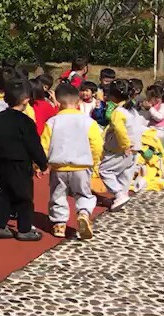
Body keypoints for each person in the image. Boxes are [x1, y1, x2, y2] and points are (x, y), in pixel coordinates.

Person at [40, 83, 103, 240]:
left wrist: (40, 164)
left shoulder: (52, 122)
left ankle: (59, 224)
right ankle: (83, 212)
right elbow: (97, 144)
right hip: (82, 166)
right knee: (83, 194)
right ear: (78, 101)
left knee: (58, 195)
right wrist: (94, 161)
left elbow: (44, 145)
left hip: (58, 167)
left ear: (57, 102)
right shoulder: (88, 122)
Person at [0, 80, 49, 241]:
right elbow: (33, 145)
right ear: (26, 99)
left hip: (4, 161)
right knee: (24, 197)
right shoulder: (26, 121)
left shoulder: (0, 118)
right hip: (21, 163)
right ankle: (24, 229)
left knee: (5, 193)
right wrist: (42, 163)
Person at [98, 80, 146, 211]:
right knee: (125, 174)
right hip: (135, 147)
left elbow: (120, 129)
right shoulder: (132, 110)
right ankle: (122, 196)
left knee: (105, 170)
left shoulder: (118, 112)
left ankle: (119, 195)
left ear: (113, 96)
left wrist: (125, 145)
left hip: (120, 149)